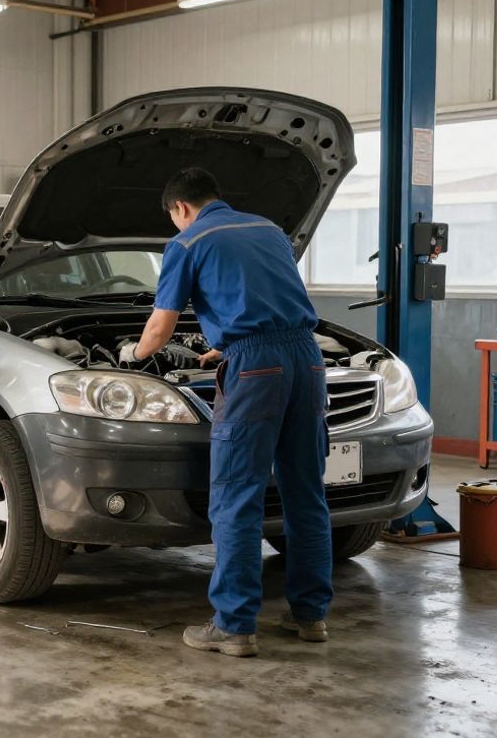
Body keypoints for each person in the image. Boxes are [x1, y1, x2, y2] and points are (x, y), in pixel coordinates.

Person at [120, 168, 333, 657]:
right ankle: (311, 616)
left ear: (180, 209)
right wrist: (230, 347)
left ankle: (234, 625)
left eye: (174, 219)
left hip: (257, 373)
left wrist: (132, 355)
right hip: (307, 359)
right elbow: (267, 301)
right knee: (306, 493)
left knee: (237, 496)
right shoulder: (269, 230)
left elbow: (160, 328)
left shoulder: (188, 243)